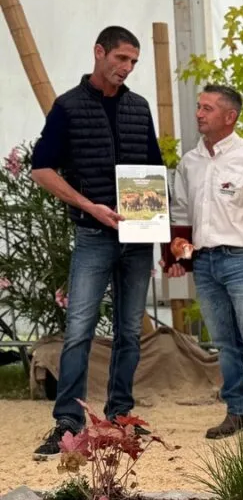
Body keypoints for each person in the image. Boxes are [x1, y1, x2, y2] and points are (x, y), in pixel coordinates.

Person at [30, 26, 163, 458]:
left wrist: (157, 231)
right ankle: (67, 424)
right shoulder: (67, 107)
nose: (126, 68)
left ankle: (121, 418)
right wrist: (90, 207)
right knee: (79, 332)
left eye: (133, 62)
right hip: (93, 235)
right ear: (99, 52)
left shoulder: (140, 108)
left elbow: (154, 173)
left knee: (129, 332)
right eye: (121, 58)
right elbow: (42, 170)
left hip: (138, 241)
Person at [164, 84, 243, 444]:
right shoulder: (190, 162)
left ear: (230, 117)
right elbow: (182, 215)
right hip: (204, 262)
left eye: (208, 108)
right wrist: (179, 260)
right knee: (224, 342)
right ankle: (238, 412)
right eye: (199, 107)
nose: (199, 113)